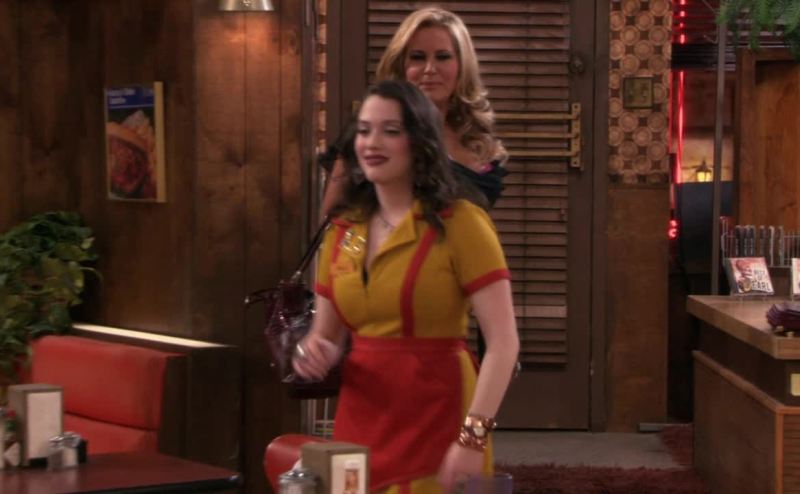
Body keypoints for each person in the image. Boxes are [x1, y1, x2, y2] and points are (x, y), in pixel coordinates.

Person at [293, 80, 519, 493]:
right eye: (364, 130)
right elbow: (324, 336)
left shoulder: (463, 223)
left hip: (439, 418)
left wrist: (472, 438)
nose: (372, 143)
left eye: (390, 131)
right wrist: (313, 353)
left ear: (420, 141)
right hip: (360, 420)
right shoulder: (343, 229)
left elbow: (504, 344)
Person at [321, 6, 508, 216]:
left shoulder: (476, 137)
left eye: (443, 57)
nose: (430, 69)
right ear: (401, 66)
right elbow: (332, 216)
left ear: (462, 65)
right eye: (418, 57)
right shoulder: (369, 132)